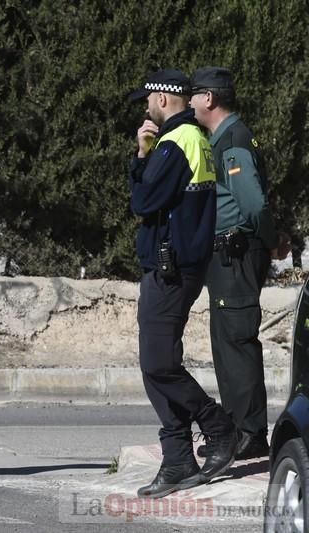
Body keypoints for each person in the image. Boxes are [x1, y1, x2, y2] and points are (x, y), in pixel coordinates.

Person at [127, 69, 238, 498]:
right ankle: (176, 459)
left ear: (163, 98)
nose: (145, 106)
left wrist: (141, 156)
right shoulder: (192, 139)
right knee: (154, 363)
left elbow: (143, 201)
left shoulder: (176, 142)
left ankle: (217, 428)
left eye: (148, 99)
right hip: (176, 265)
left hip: (172, 267)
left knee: (158, 364)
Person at [189, 67, 291, 460]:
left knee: (237, 342)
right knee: (227, 342)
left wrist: (269, 242)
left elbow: (251, 202)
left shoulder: (233, 139)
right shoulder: (224, 137)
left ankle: (249, 432)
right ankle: (237, 427)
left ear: (208, 99)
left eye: (194, 95)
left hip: (237, 253)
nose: (192, 102)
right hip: (227, 255)